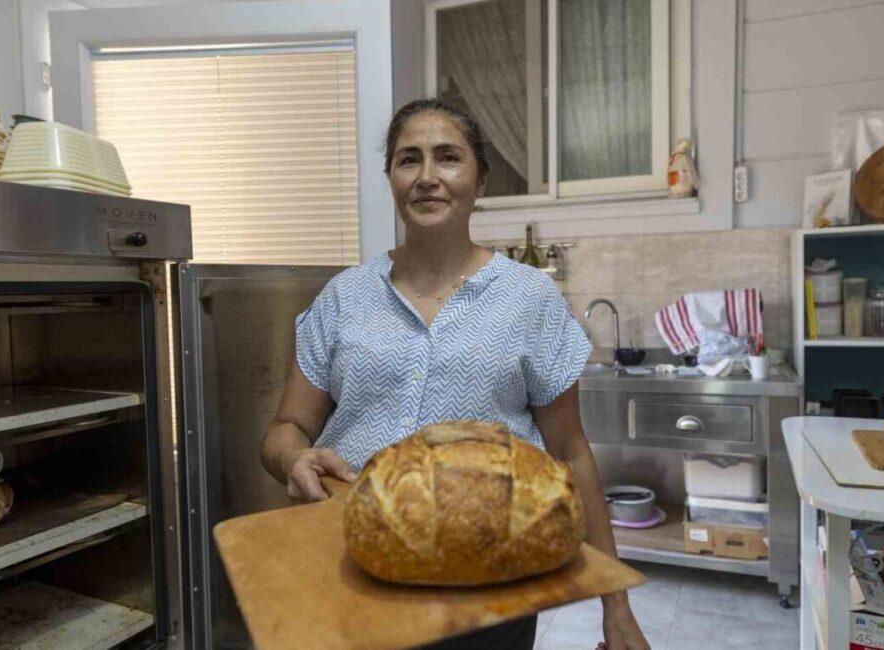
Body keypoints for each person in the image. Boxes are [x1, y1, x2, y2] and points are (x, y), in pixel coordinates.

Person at [261, 98, 650, 650]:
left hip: (490, 587)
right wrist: (292, 458)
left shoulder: (529, 298)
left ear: (480, 179)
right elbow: (285, 429)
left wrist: (617, 604)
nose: (426, 178)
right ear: (391, 178)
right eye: (407, 160)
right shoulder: (344, 297)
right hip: (354, 568)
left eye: (447, 158)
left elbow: (571, 453)